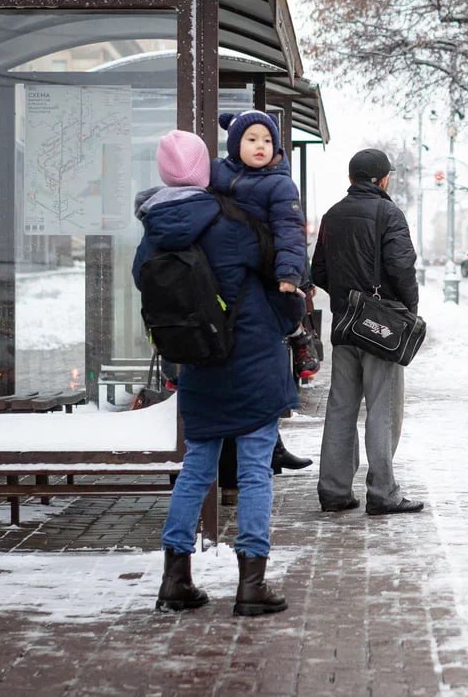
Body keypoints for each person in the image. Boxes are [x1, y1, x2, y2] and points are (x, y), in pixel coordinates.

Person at [133, 129, 300, 617]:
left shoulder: (154, 229)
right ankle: (252, 584)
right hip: (252, 359)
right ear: (207, 169)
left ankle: (175, 578)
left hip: (199, 363)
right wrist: (284, 323)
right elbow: (281, 287)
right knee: (253, 471)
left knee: (197, 470)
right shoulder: (235, 222)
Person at [311, 148, 424, 516]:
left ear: (351, 178)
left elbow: (319, 273)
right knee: (383, 408)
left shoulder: (332, 215)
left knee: (341, 407)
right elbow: (402, 267)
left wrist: (347, 299)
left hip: (345, 325)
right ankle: (382, 492)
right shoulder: (389, 213)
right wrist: (408, 309)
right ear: (383, 179)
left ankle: (334, 490)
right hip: (381, 328)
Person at [210, 110, 312, 502]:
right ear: (236, 144)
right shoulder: (218, 175)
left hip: (263, 283)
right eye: (251, 139)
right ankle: (242, 467)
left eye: (267, 140)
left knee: (255, 375)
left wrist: (290, 273)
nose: (260, 147)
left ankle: (259, 459)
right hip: (227, 285)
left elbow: (290, 230)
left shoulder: (279, 184)